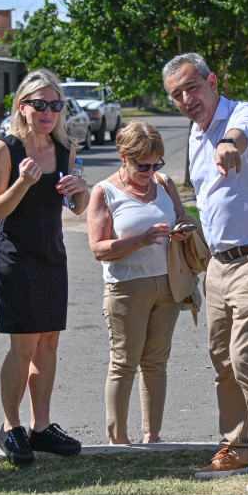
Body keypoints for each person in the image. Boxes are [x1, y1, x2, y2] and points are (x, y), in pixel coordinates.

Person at [162, 52, 248, 494]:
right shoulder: (196, 137)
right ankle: (236, 447)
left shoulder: (244, 114)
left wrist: (230, 145)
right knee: (223, 360)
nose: (186, 99)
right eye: (176, 95)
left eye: (191, 88)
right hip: (219, 263)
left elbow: (242, 135)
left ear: (212, 81)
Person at [0, 69, 89, 466]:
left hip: (51, 255)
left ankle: (41, 426)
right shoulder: (5, 149)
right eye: (40, 105)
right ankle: (11, 427)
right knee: (23, 344)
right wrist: (22, 184)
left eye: (56, 105)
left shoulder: (65, 149)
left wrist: (82, 193)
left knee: (48, 343)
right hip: (16, 257)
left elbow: (75, 207)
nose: (48, 112)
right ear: (22, 107)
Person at [86, 120, 195, 445]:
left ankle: (153, 436)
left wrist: (186, 228)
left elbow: (183, 215)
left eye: (155, 163)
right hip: (126, 287)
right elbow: (99, 249)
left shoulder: (164, 182)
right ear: (124, 156)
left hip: (168, 284)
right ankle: (118, 441)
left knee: (156, 363)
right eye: (142, 165)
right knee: (124, 363)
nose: (150, 171)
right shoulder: (104, 191)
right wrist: (141, 239)